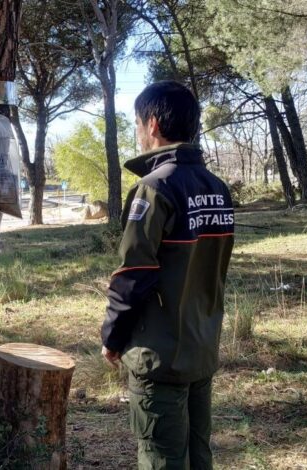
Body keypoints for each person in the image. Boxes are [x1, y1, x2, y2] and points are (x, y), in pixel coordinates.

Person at [101, 81, 235, 469]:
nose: (138, 133)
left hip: (159, 356)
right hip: (201, 348)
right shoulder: (217, 188)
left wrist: (112, 337)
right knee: (198, 457)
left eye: (138, 123)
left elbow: (134, 274)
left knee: (162, 458)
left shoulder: (154, 188)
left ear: (153, 124)